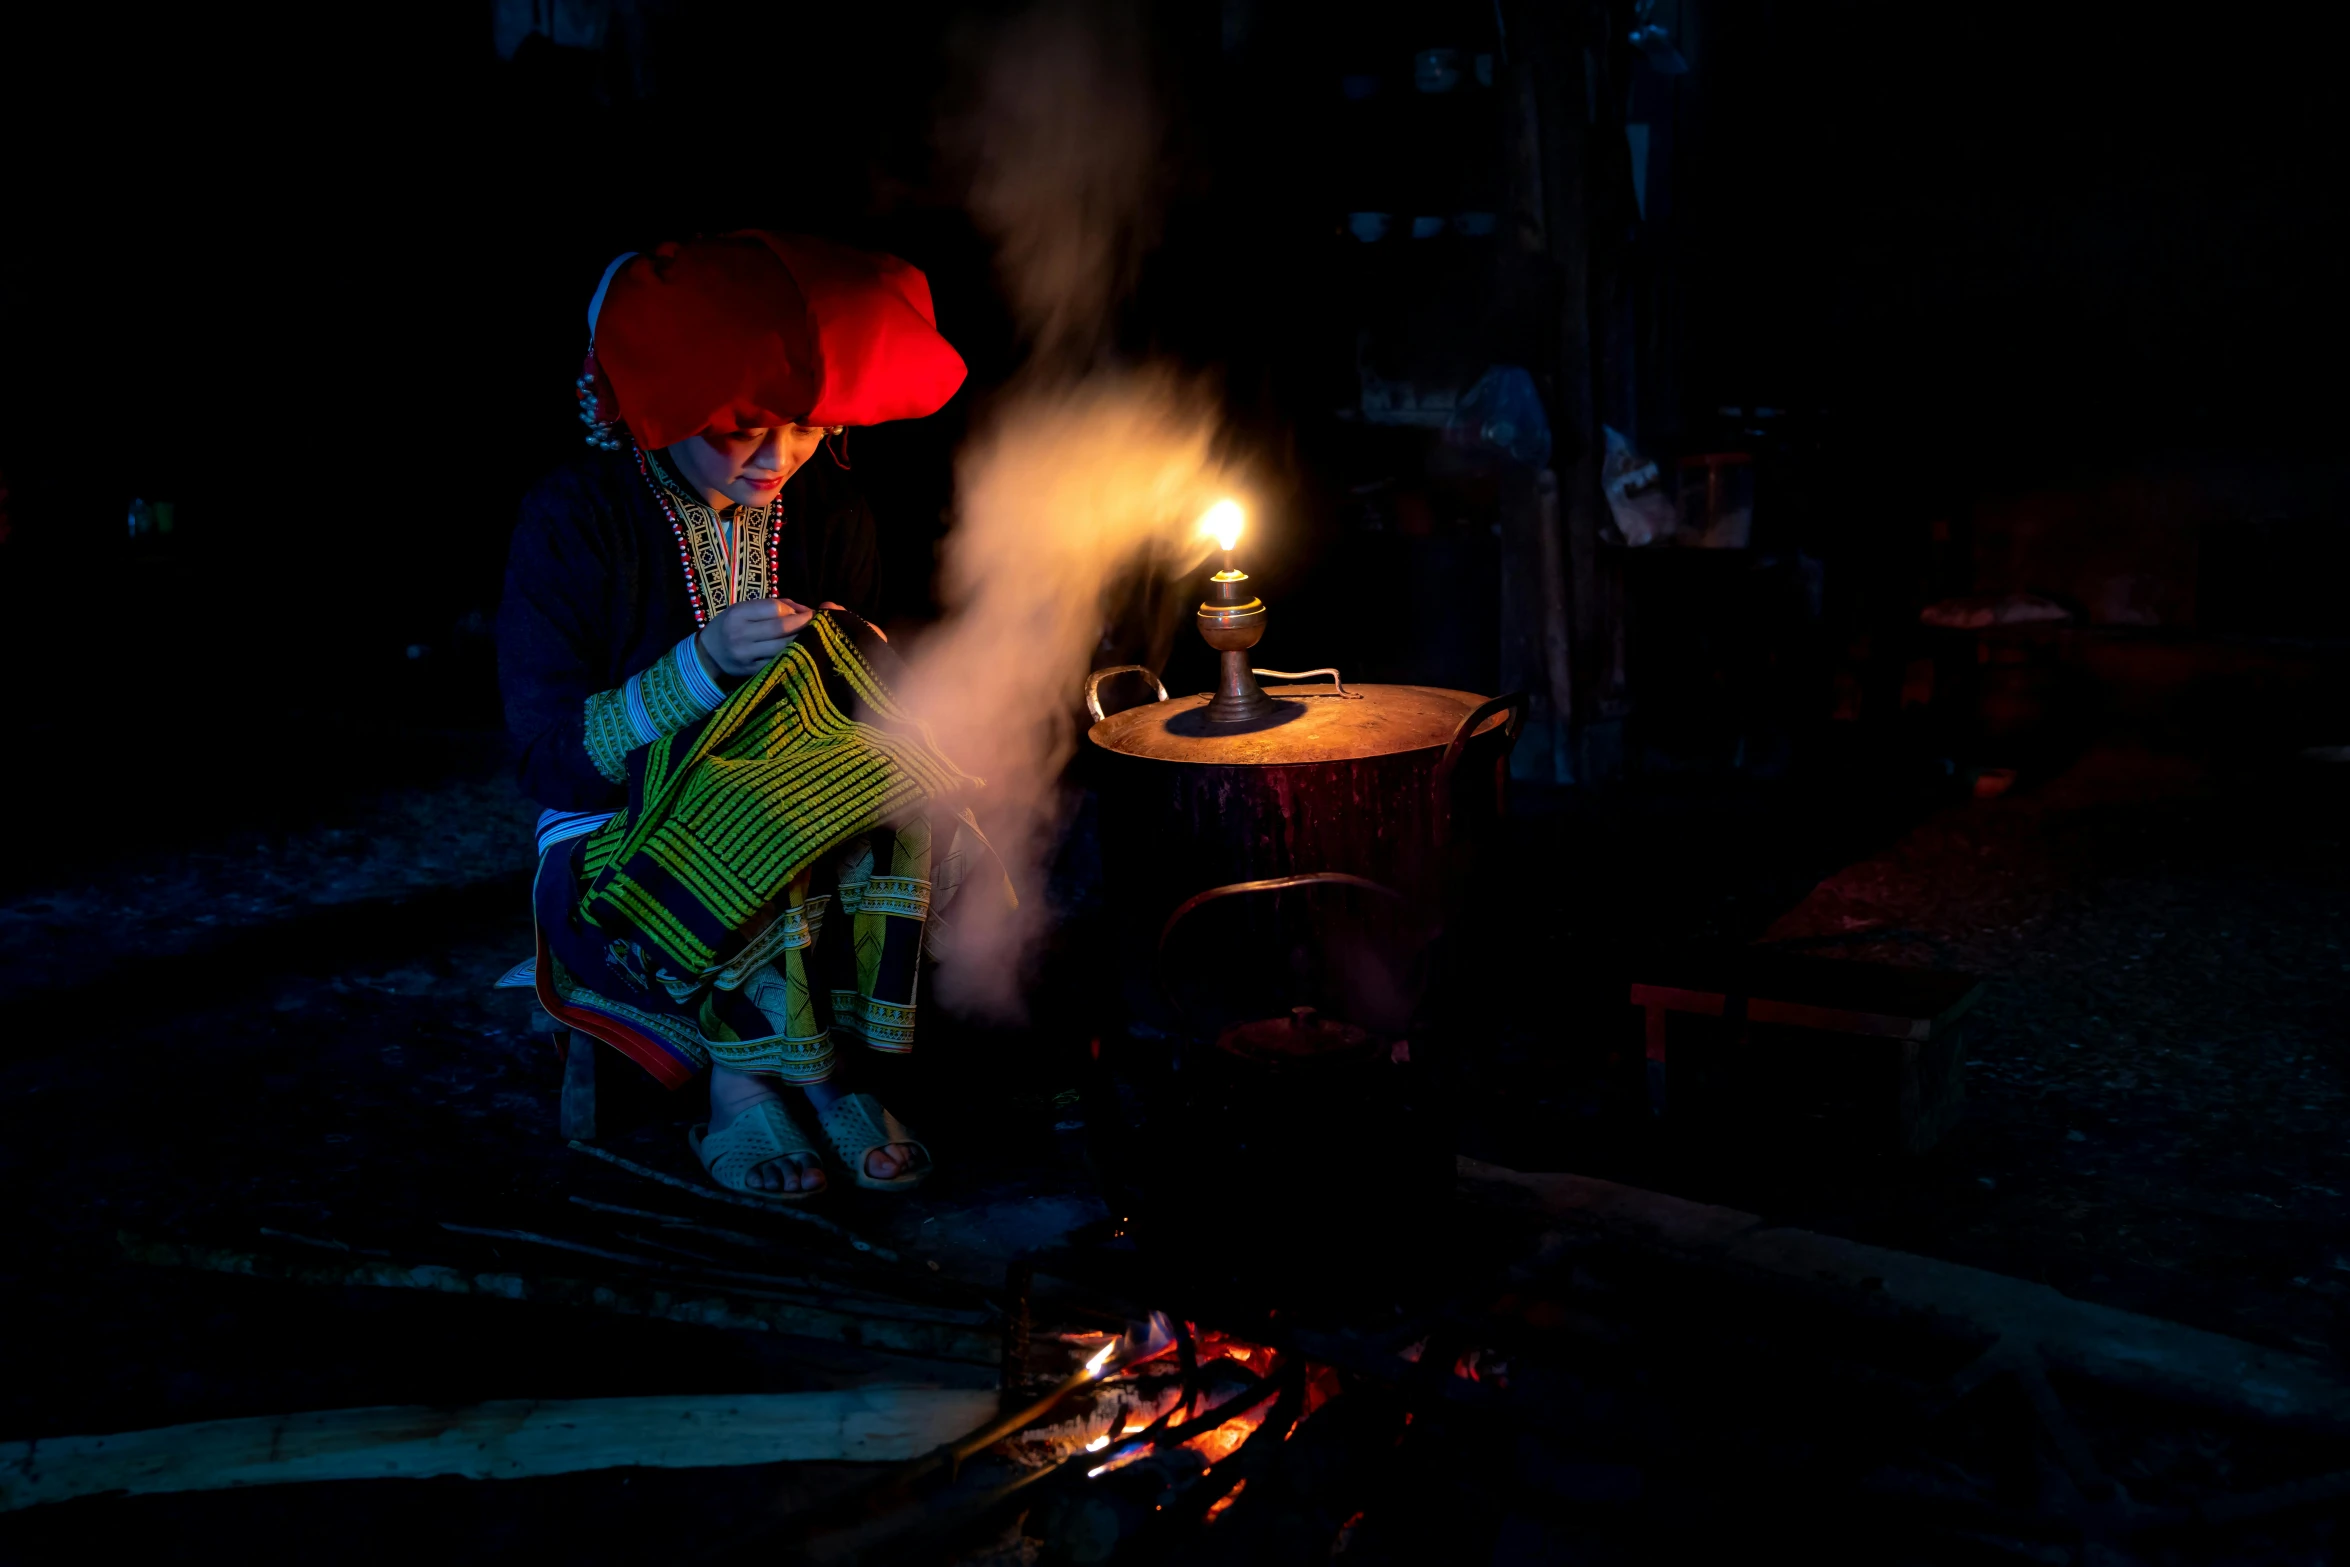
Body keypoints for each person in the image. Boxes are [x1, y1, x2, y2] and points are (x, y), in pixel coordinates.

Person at [498, 230, 997, 1202]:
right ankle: (759, 1082)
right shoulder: (570, 522)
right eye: (741, 427)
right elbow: (548, 760)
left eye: (805, 425)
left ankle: (807, 1062)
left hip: (802, 812)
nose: (782, 457)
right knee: (762, 821)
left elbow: (864, 704)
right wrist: (699, 669)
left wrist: (862, 668)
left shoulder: (829, 511)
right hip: (617, 835)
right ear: (655, 405)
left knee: (901, 803)